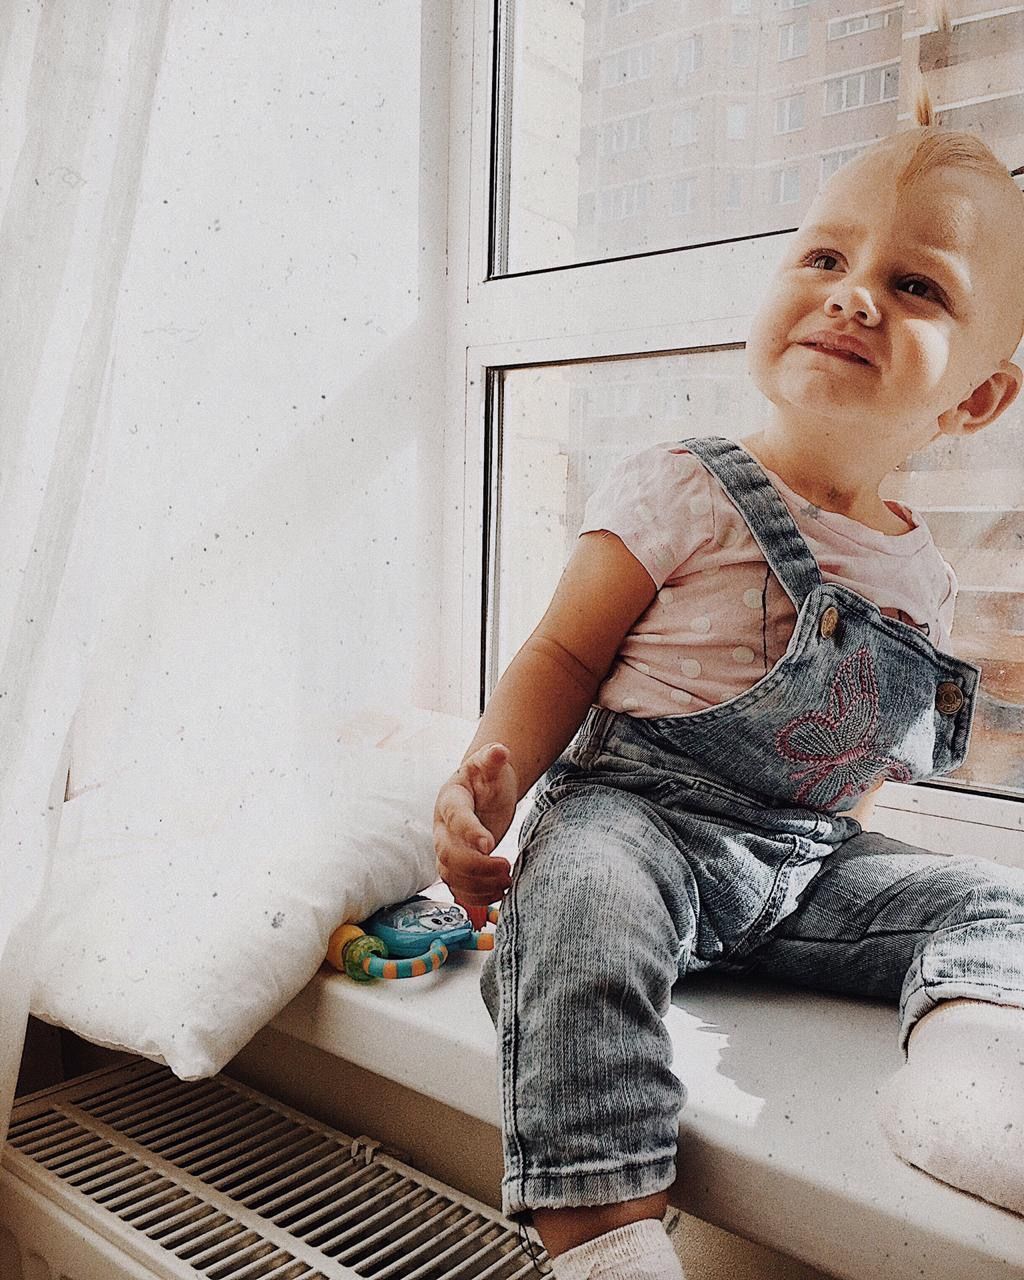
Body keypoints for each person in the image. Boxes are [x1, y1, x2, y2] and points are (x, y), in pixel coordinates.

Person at [433, 122, 1024, 1280]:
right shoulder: (681, 485)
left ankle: (967, 1079)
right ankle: (605, 1238)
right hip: (639, 823)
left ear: (979, 396)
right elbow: (559, 651)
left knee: (995, 903)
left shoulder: (924, 576)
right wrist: (485, 783)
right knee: (583, 898)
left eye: (913, 285)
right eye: (823, 260)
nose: (852, 297)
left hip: (799, 863)